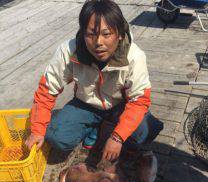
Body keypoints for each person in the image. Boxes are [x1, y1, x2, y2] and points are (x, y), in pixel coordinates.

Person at [25, 0, 163, 161]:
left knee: (146, 131)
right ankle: (96, 128)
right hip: (85, 104)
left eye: (106, 34)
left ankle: (104, 130)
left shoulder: (134, 56)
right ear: (83, 33)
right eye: (91, 34)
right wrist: (37, 130)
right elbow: (46, 91)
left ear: (119, 34)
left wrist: (117, 138)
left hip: (120, 105)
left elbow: (139, 101)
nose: (98, 42)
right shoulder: (68, 51)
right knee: (56, 137)